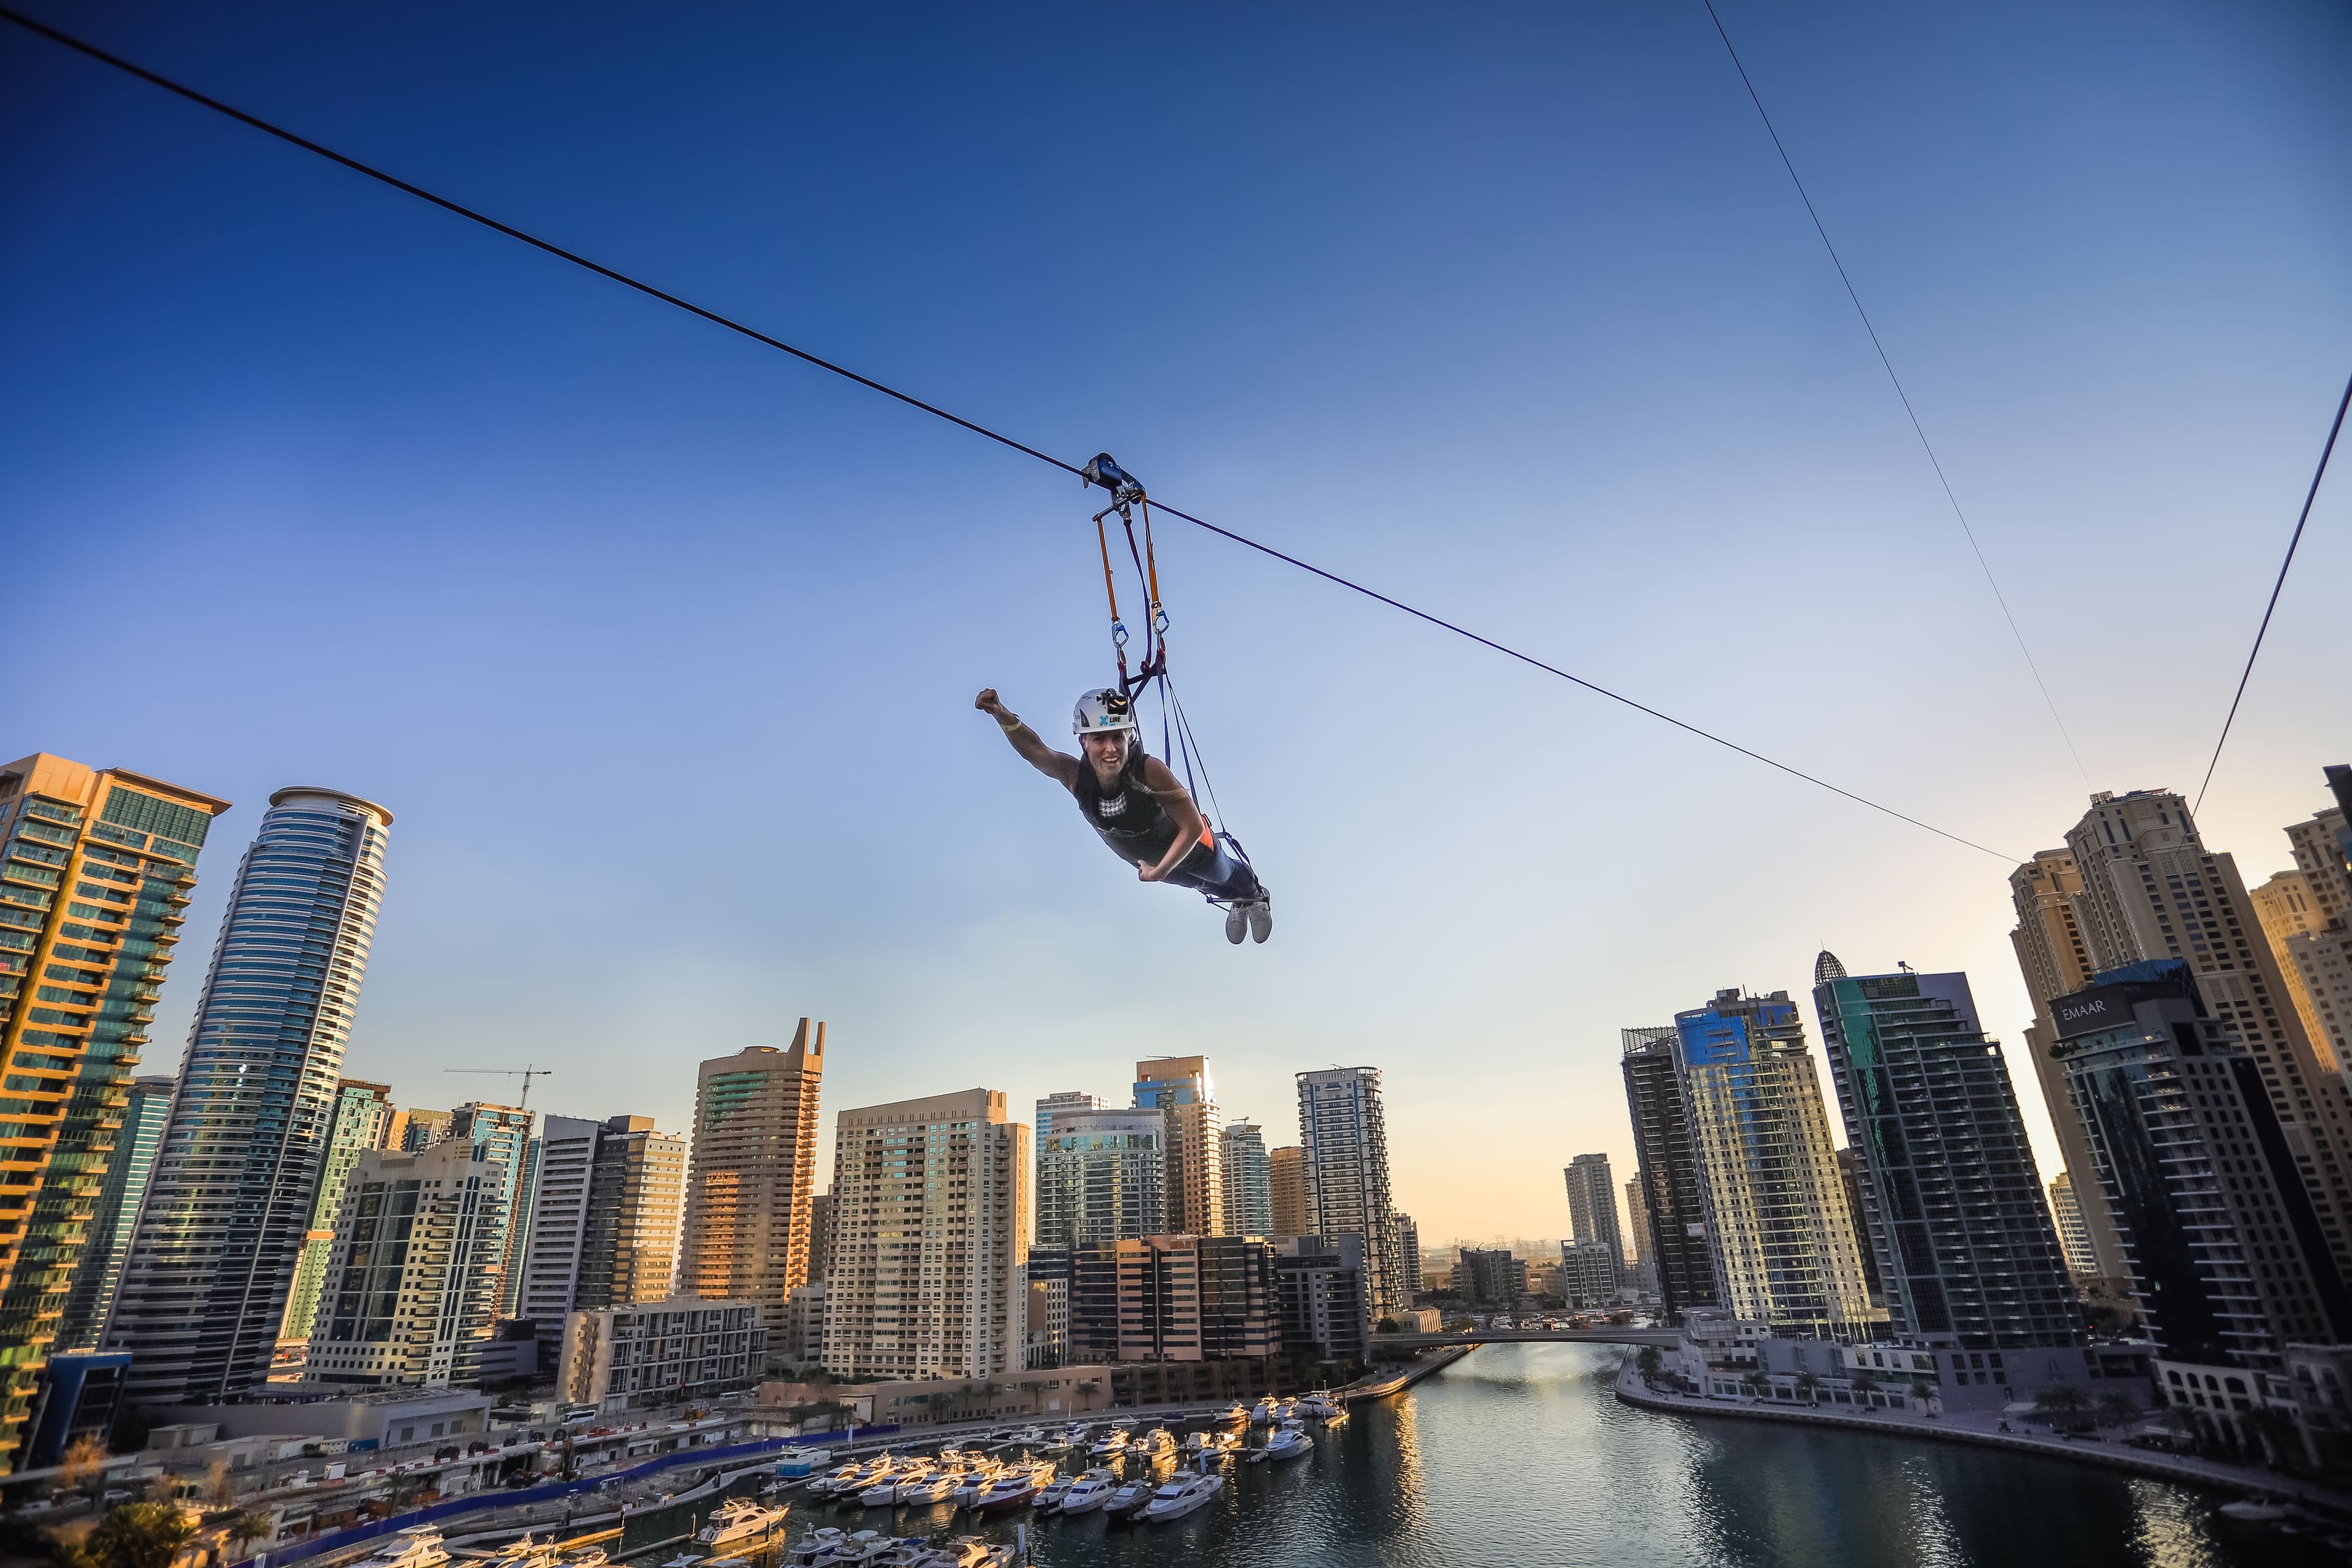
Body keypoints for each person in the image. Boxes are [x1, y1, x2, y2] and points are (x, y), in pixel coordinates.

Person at [976, 685, 1271, 943]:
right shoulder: (1077, 777)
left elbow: (1192, 827)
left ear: (1128, 737)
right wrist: (1001, 713)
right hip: (1154, 865)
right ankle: (1238, 901)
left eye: (1117, 737)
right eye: (1099, 739)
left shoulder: (1149, 770)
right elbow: (1038, 752)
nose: (1110, 749)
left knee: (1223, 874)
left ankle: (1254, 896)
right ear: (1083, 742)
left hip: (1195, 850)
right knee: (1200, 885)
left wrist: (1159, 872)